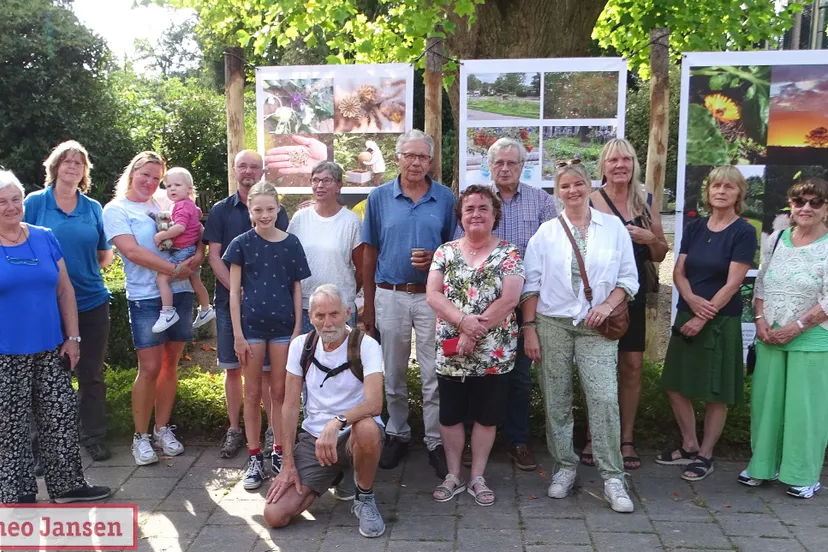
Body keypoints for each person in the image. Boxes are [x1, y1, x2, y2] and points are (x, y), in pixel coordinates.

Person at [522, 160, 638, 513]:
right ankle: (565, 467)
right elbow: (531, 285)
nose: (572, 191)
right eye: (565, 186)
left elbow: (629, 278)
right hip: (553, 323)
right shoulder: (546, 232)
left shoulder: (613, 227)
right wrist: (529, 329)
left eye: (578, 184)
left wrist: (607, 305)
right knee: (556, 398)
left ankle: (613, 476)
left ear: (590, 185)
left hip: (596, 326)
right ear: (557, 192)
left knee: (603, 398)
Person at [0, 169, 111, 503]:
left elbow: (64, 290)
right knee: (11, 426)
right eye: (1, 202)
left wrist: (73, 338)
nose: (10, 206)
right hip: (5, 352)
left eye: (15, 199)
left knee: (59, 417)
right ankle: (16, 491)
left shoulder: (43, 235)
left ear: (24, 200)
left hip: (50, 348)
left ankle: (67, 486)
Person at [454, 137, 556, 471]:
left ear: (523, 166)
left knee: (518, 376)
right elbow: (461, 246)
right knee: (473, 371)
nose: (506, 168)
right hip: (478, 301)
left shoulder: (541, 202)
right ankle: (473, 439)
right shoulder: (478, 201)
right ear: (490, 165)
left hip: (522, 302)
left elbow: (549, 253)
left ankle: (517, 440)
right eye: (499, 163)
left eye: (513, 163)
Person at [361, 129, 457, 478]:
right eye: (409, 155)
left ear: (431, 162)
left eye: (423, 157)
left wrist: (436, 257)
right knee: (393, 372)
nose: (416, 162)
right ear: (398, 157)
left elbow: (457, 252)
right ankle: (397, 433)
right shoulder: (380, 198)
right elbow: (368, 251)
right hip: (390, 293)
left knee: (434, 373)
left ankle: (435, 441)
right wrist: (367, 303)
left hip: (433, 298)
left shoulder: (446, 199)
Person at [103, 151, 203, 466]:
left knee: (170, 365)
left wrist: (197, 256)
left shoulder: (167, 201)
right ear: (132, 173)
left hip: (181, 292)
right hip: (146, 296)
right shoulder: (116, 209)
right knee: (149, 368)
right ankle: (140, 437)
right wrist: (173, 270)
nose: (150, 182)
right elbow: (131, 251)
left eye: (156, 177)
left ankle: (162, 429)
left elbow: (194, 230)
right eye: (144, 174)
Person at [427, 185, 524, 506]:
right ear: (460, 216)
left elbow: (510, 299)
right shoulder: (444, 252)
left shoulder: (509, 253)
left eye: (483, 208)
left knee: (486, 416)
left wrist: (472, 331)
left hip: (494, 352)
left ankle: (478, 476)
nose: (476, 214)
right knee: (451, 414)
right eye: (469, 208)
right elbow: (434, 295)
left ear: (495, 214)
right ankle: (453, 475)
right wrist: (462, 323)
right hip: (451, 350)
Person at [658, 166, 756, 480]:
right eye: (716, 185)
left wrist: (702, 316)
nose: (722, 191)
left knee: (716, 392)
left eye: (729, 186)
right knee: (674, 384)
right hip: (689, 313)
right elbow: (678, 271)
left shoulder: (744, 231)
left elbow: (733, 283)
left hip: (719, 321)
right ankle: (689, 444)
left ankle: (706, 454)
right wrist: (689, 300)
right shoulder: (696, 227)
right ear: (708, 191)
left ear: (739, 193)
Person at [264, 284, 385, 537]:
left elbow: (375, 404)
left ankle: (364, 497)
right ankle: (335, 475)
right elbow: (289, 405)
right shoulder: (301, 346)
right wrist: (287, 464)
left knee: (366, 426)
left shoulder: (366, 345)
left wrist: (337, 422)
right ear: (311, 317)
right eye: (320, 315)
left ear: (347, 313)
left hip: (353, 433)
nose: (328, 322)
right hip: (315, 440)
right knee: (274, 516)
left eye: (334, 314)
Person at [23, 140, 113, 462]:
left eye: (79, 163)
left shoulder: (93, 208)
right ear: (55, 166)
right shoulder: (35, 203)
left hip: (91, 302)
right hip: (45, 305)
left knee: (91, 374)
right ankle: (39, 449)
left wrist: (80, 275)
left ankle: (93, 437)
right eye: (67, 162)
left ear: (84, 172)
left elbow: (105, 254)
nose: (73, 167)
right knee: (44, 377)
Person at [740, 178, 828, 499]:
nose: (806, 208)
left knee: (805, 410)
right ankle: (761, 466)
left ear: (826, 209)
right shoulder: (776, 239)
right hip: (771, 336)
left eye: (815, 202)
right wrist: (761, 322)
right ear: (790, 206)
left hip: (813, 339)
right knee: (766, 405)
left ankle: (803, 475)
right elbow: (761, 284)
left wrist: (797, 327)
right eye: (799, 201)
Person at [585, 138, 668, 470]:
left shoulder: (646, 201)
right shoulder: (591, 200)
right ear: (603, 166)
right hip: (597, 298)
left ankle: (626, 438)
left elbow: (660, 253)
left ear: (634, 164)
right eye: (613, 160)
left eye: (626, 160)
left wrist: (651, 239)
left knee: (631, 367)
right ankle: (593, 435)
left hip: (632, 297)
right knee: (596, 369)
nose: (620, 165)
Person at [203, 150, 289, 461]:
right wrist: (240, 292)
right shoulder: (220, 210)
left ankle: (269, 432)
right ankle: (234, 429)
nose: (248, 170)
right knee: (232, 367)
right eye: (243, 165)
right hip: (230, 303)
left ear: (262, 170)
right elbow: (214, 257)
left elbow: (281, 251)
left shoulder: (275, 208)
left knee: (265, 372)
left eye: (254, 166)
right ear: (235, 169)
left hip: (266, 310)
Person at [223, 182, 310, 490]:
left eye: (270, 209)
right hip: (252, 329)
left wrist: (299, 327)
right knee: (252, 393)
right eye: (257, 209)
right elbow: (234, 293)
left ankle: (278, 450)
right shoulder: (241, 244)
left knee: (281, 394)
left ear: (278, 209)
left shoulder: (292, 244)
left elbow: (298, 288)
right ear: (250, 211)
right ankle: (254, 457)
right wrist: (237, 335)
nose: (264, 215)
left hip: (285, 329)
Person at [287, 161, 362, 333]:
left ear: (338, 186)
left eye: (327, 180)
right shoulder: (300, 218)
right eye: (315, 180)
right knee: (308, 357)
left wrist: (342, 294)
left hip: (340, 308)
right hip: (306, 307)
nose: (320, 185)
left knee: (341, 357)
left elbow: (362, 269)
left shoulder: (351, 221)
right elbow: (290, 259)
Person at [151, 167, 215, 333]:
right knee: (195, 280)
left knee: (162, 279)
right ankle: (205, 308)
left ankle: (167, 312)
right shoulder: (189, 205)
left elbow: (179, 227)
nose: (172, 188)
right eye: (169, 185)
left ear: (189, 189)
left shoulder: (180, 207)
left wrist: (161, 236)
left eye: (177, 185)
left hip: (183, 251)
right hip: (191, 249)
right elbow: (197, 217)